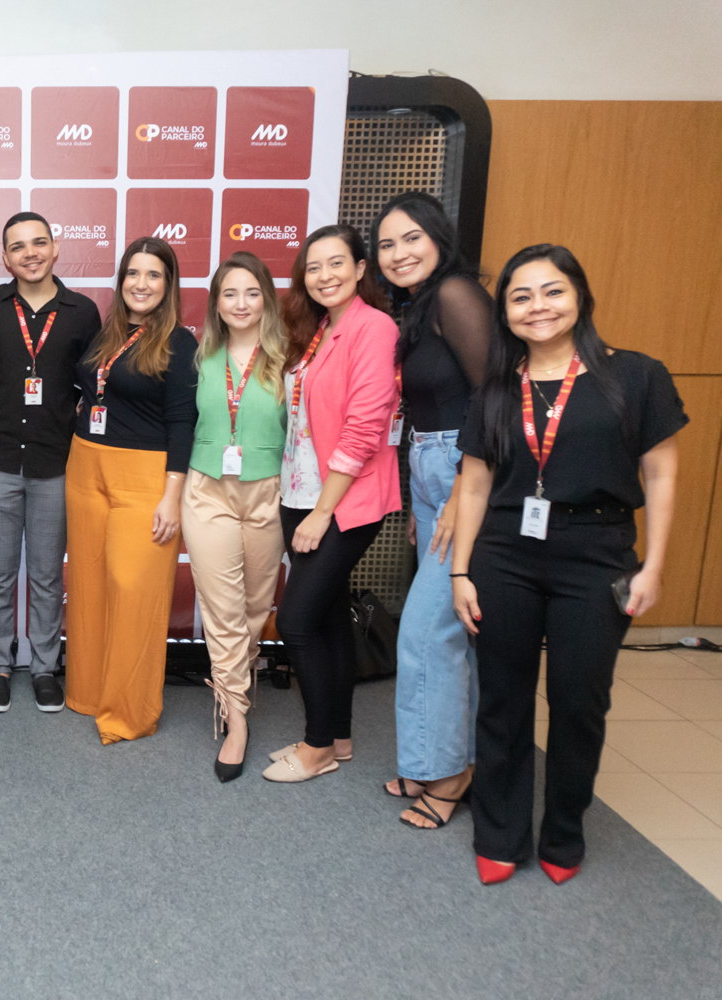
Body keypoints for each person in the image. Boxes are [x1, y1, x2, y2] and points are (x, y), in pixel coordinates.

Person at [452, 245, 683, 886]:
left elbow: (662, 475)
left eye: (552, 291)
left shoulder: (634, 375)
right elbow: (474, 485)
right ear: (505, 312)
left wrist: (654, 566)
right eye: (520, 297)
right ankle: (500, 834)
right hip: (505, 554)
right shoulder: (497, 389)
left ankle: (564, 831)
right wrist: (460, 572)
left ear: (580, 295)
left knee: (580, 702)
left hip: (596, 553)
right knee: (502, 699)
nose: (538, 307)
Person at [371, 192, 492, 828]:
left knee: (425, 632)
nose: (399, 253)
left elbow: (494, 398)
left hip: (463, 468)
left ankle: (447, 775)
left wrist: (462, 491)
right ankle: (444, 760)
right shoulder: (417, 306)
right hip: (431, 467)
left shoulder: (455, 294)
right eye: (387, 244)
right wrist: (427, 498)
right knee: (452, 633)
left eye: (412, 238)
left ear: (440, 238)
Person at [263, 224, 399, 783]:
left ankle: (317, 746)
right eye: (313, 267)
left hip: (342, 501)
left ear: (361, 269)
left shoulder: (374, 328)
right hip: (300, 491)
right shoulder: (320, 328)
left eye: (337, 263)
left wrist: (322, 513)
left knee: (296, 621)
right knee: (329, 619)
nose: (325, 276)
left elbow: (364, 429)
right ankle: (338, 735)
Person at [65, 238, 198, 745]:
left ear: (168, 284)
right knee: (90, 583)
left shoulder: (179, 344)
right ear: (121, 281)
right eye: (133, 274)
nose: (141, 284)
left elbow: (183, 422)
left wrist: (172, 495)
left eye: (153, 275)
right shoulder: (108, 333)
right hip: (85, 467)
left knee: (134, 590)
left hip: (144, 476)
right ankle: (88, 693)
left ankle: (128, 712)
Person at [0, 212, 102, 713]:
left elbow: (95, 386)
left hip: (56, 463)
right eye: (18, 246)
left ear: (55, 247)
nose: (30, 253)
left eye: (39, 242)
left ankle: (45, 668)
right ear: (6, 257)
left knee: (47, 576)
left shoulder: (82, 312)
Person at [180, 252, 288, 782]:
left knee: (255, 606)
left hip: (269, 493)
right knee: (222, 608)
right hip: (208, 492)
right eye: (230, 294)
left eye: (251, 293)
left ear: (266, 299)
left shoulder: (289, 360)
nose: (241, 303)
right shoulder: (200, 357)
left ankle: (233, 689)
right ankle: (237, 718)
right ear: (216, 304)